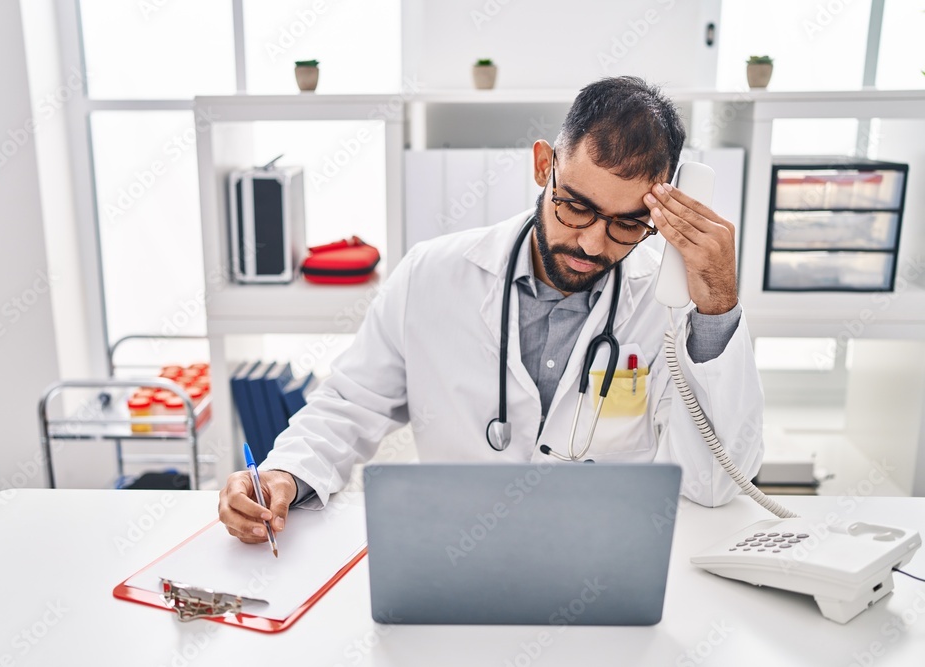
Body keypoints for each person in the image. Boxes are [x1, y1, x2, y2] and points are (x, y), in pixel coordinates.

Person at [218, 76, 764, 545]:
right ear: (544, 165)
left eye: (626, 224)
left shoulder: (668, 310)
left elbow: (716, 485)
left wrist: (717, 305)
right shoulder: (431, 275)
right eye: (576, 207)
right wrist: (286, 473)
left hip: (604, 558)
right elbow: (349, 405)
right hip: (458, 552)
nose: (593, 243)